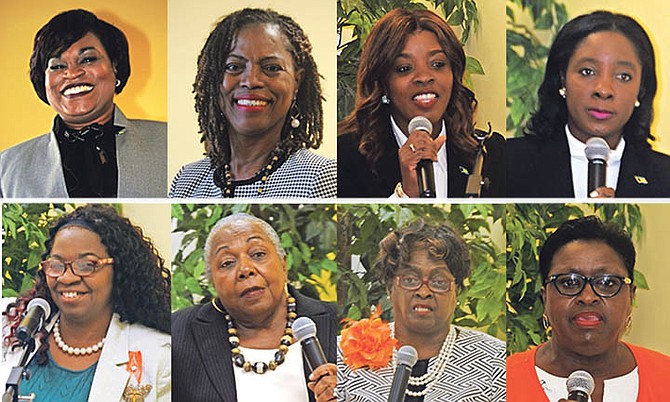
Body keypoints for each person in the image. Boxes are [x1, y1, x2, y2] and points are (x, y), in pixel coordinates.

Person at [1, 205, 171, 401]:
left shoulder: (159, 357)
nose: (67, 278)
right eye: (57, 265)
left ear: (119, 270)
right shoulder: (12, 330)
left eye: (86, 265)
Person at [337, 8, 505, 198]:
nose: (424, 77)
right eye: (404, 68)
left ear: (454, 74)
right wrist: (407, 194)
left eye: (437, 64)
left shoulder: (489, 153)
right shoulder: (344, 157)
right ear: (382, 83)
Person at [169, 8, 336, 198]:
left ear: (297, 82)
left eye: (271, 68)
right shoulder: (186, 182)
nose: (251, 81)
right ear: (214, 81)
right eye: (234, 67)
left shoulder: (321, 177)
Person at [0, 9, 167, 198]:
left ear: (115, 67)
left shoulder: (167, 141)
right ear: (44, 81)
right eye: (57, 66)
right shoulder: (6, 169)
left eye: (87, 59)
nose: (72, 73)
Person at [172, 212, 338, 401]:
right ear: (212, 282)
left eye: (258, 254)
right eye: (227, 263)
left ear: (283, 264)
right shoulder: (177, 335)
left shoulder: (337, 324)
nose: (245, 269)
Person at [337, 219, 505, 401]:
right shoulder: (343, 353)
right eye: (410, 280)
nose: (424, 292)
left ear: (457, 290)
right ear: (389, 287)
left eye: (439, 282)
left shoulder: (497, 360)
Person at [507, 11, 670, 198]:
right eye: (587, 71)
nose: (603, 90)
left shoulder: (664, 177)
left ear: (641, 89)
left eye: (623, 76)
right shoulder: (508, 162)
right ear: (562, 79)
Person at [507, 216, 670, 401]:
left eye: (607, 283)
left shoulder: (666, 376)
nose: (587, 297)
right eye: (569, 282)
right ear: (545, 298)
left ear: (631, 296)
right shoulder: (502, 381)